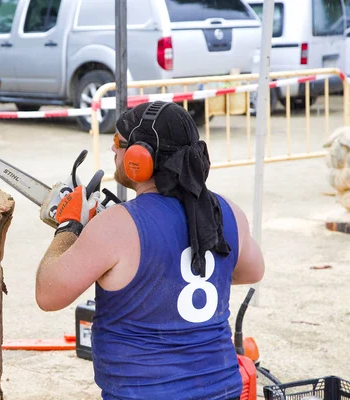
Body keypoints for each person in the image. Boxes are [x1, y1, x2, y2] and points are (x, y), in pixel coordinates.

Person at [35, 101, 265, 400]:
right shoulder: (229, 212)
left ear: (138, 157)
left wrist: (69, 227)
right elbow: (251, 271)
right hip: (222, 390)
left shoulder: (116, 226)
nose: (113, 151)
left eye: (118, 143)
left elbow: (48, 293)